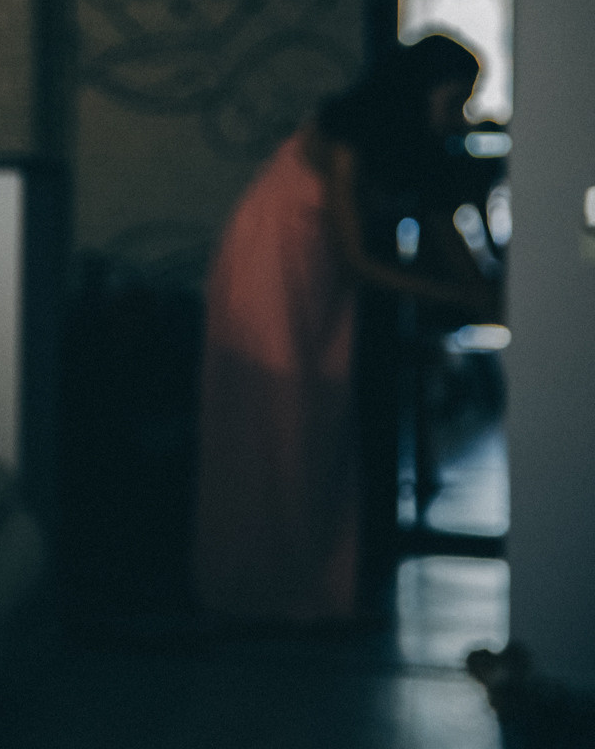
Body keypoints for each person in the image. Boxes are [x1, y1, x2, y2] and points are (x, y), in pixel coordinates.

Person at [192, 34, 496, 625]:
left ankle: (305, 592)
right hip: (269, 261)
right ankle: (251, 589)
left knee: (315, 422)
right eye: (454, 99)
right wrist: (461, 295)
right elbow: (360, 257)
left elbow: (448, 238)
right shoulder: (351, 132)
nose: (459, 114)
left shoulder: (423, 147)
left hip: (322, 277)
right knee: (270, 420)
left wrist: (489, 291)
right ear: (420, 91)